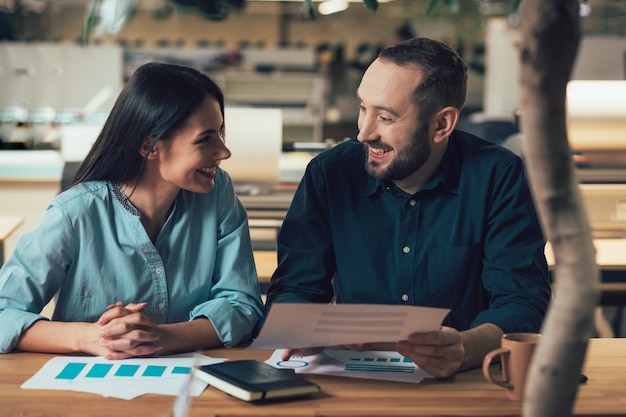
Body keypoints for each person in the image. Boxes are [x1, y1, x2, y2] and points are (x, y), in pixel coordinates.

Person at [265, 37, 551, 379]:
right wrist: (303, 329)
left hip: (466, 381)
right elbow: (295, 287)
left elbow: (521, 300)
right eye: (362, 108)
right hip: (353, 380)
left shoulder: (498, 175)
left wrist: (466, 346)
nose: (363, 133)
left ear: (442, 124)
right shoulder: (330, 174)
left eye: (385, 117)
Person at [0, 62, 264, 359]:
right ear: (150, 147)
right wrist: (93, 337)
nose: (224, 152)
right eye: (205, 138)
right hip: (87, 392)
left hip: (191, 388)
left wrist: (161, 338)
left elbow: (243, 305)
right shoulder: (73, 213)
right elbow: (3, 313)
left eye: (220, 133)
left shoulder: (217, 194)